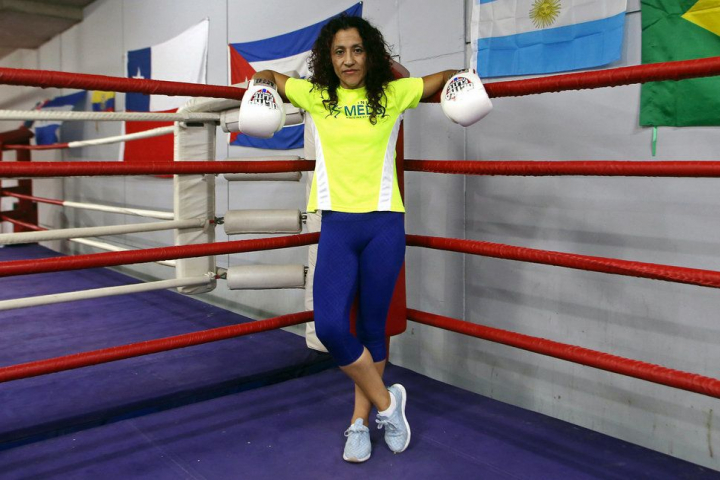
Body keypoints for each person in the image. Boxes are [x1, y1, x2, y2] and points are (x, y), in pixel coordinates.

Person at [239, 14, 491, 463]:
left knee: (374, 328)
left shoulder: (393, 94)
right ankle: (389, 403)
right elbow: (275, 77)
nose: (349, 60)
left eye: (357, 50)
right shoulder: (317, 96)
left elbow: (437, 80)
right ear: (328, 58)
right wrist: (261, 80)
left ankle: (359, 422)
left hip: (383, 226)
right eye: (339, 52)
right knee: (331, 327)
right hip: (338, 226)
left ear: (370, 54)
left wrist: (460, 77)